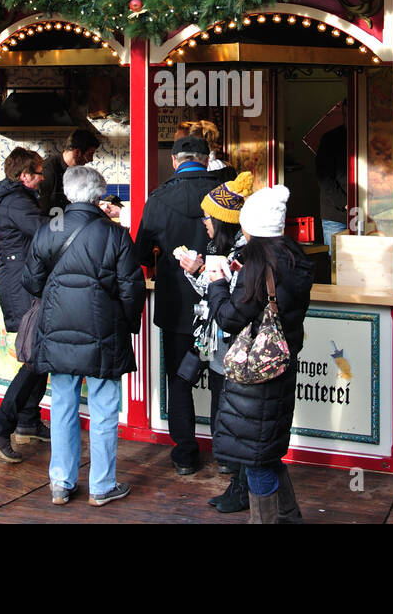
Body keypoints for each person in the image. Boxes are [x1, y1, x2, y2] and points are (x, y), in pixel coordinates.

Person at [24, 166, 144, 507]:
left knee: (62, 405)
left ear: (66, 192)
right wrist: (127, 325)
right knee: (104, 408)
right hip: (104, 332)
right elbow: (131, 291)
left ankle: (61, 482)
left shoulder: (51, 228)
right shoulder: (115, 234)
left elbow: (31, 283)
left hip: (58, 330)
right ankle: (102, 485)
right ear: (99, 194)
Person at [207, 184, 313, 524]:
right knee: (267, 449)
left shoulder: (255, 263)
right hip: (283, 363)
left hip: (257, 373)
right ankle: (289, 516)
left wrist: (217, 285)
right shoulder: (295, 258)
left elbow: (229, 318)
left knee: (256, 457)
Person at [133, 134, 224, 475]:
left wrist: (160, 255)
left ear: (174, 161)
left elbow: (140, 252)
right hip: (220, 303)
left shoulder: (158, 199)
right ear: (206, 159)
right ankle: (227, 455)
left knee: (180, 380)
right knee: (223, 380)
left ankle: (185, 455)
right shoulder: (225, 196)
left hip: (175, 306)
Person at [176, 171, 254, 513]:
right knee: (226, 407)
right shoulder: (223, 249)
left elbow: (230, 306)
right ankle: (234, 476)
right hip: (223, 349)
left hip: (237, 349)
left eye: (208, 217)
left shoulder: (243, 254)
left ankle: (239, 482)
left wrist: (200, 275)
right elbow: (215, 299)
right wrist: (196, 272)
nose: (204, 222)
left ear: (223, 220)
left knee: (235, 412)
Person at [0, 147, 49, 462]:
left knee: (39, 354)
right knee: (35, 358)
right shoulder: (18, 203)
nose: (43, 178)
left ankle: (28, 421)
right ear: (24, 176)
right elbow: (45, 232)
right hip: (23, 287)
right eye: (38, 173)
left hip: (19, 282)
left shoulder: (13, 200)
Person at [37, 128, 99, 218]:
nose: (91, 159)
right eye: (90, 154)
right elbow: (44, 208)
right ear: (77, 152)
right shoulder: (48, 169)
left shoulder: (78, 171)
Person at [315, 121, 348, 246]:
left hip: (364, 213)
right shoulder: (331, 139)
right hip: (336, 215)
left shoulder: (369, 135)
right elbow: (324, 178)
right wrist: (344, 202)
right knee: (335, 259)